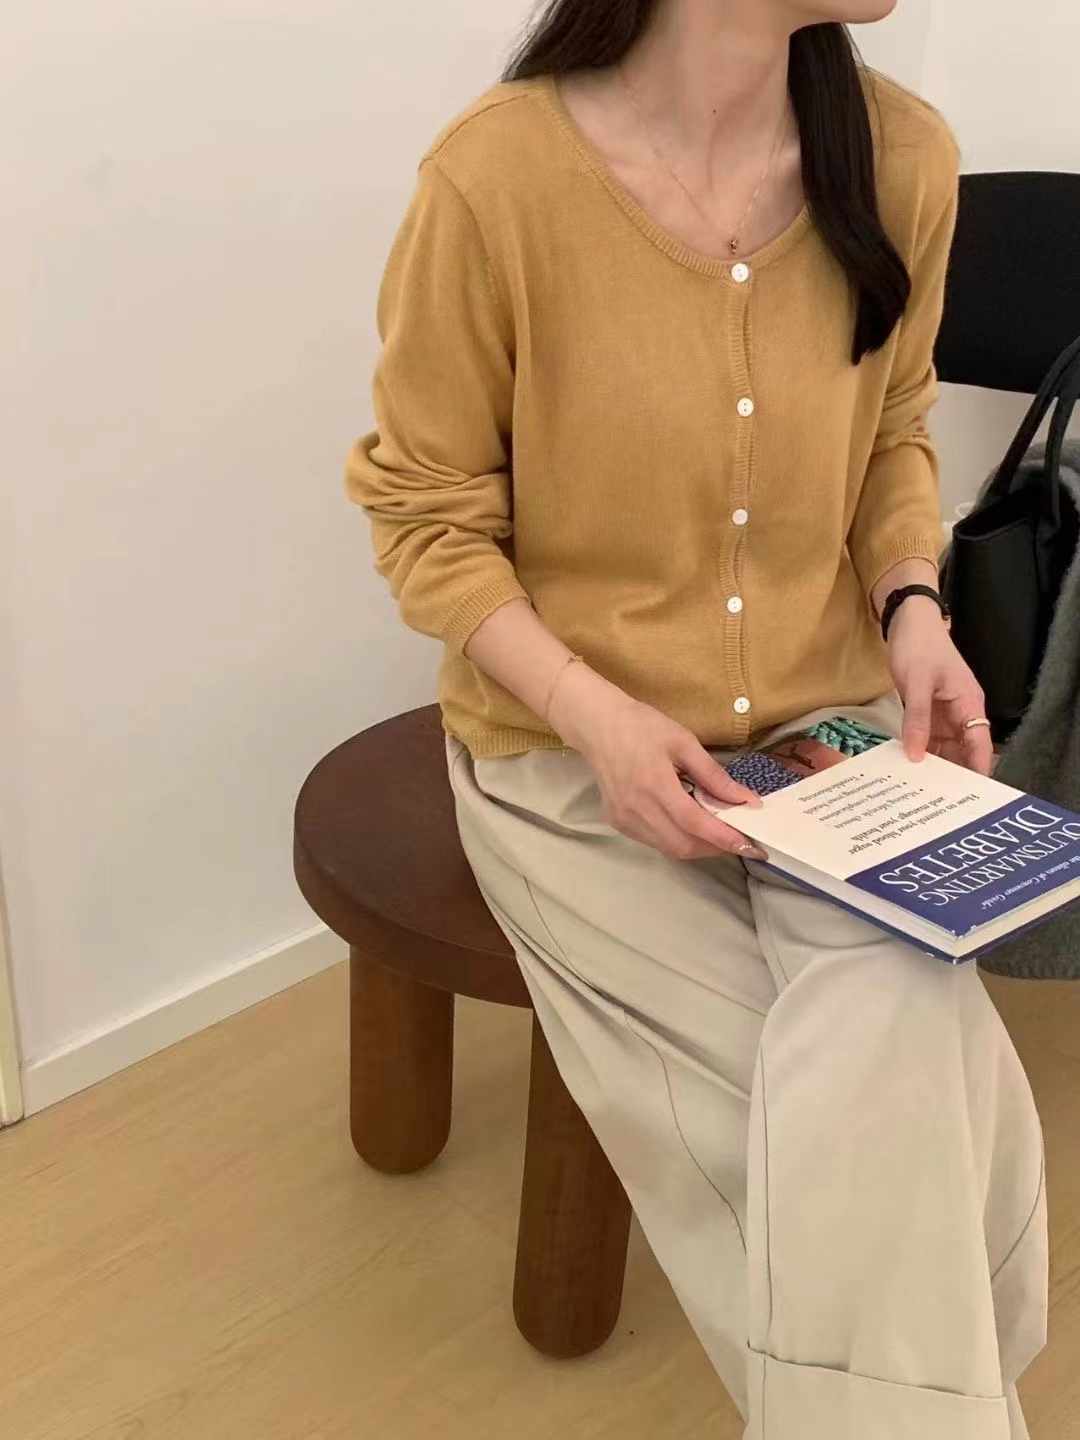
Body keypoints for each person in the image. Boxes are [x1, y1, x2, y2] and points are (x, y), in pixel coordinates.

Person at [344, 2, 1049, 1435]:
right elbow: (427, 521)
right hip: (569, 756)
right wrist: (596, 717)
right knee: (825, 1126)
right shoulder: (494, 183)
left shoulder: (904, 160)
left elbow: (892, 431)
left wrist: (913, 606)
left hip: (832, 742)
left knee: (897, 1066)